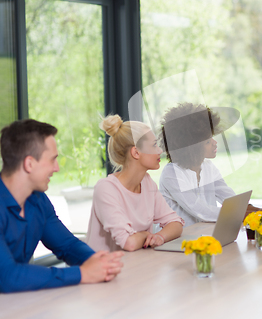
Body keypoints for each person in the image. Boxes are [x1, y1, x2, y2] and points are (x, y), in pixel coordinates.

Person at [0, 119, 123, 293]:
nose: (57, 168)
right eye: (52, 160)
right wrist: (82, 273)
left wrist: (97, 262)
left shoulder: (38, 200)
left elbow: (67, 245)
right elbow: (7, 276)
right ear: (29, 164)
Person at [159, 103, 262, 227]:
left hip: (205, 234)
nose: (215, 143)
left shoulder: (208, 167)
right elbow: (202, 211)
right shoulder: (171, 174)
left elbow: (230, 200)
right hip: (178, 241)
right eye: (208, 141)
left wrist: (258, 210)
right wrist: (255, 213)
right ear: (192, 148)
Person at [86, 115, 184, 252]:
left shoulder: (147, 182)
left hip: (135, 263)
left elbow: (176, 223)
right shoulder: (106, 189)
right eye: (154, 145)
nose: (160, 151)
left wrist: (160, 237)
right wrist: (146, 235)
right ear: (136, 152)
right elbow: (128, 243)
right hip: (104, 269)